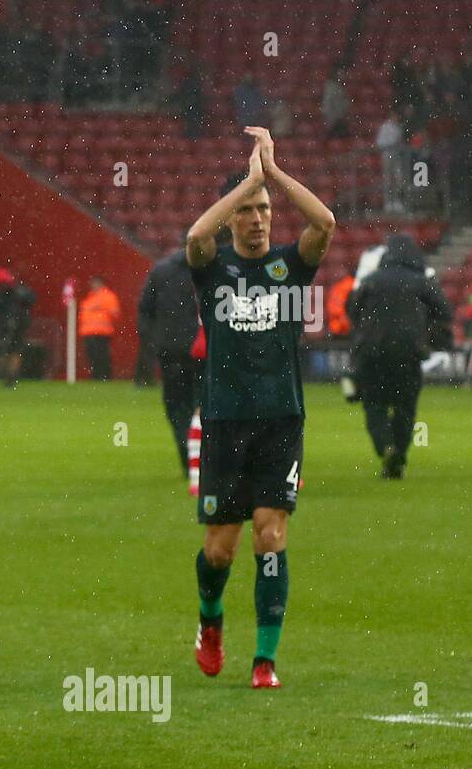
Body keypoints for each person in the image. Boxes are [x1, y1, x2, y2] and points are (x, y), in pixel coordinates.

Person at [185, 126, 335, 690]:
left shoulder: (290, 267)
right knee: (219, 550)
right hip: (224, 422)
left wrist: (273, 176)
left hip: (280, 422)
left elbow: (325, 224)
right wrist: (244, 182)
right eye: (247, 210)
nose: (257, 217)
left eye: (264, 209)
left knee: (270, 536)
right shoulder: (213, 267)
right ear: (232, 219)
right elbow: (195, 235)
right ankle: (210, 619)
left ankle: (265, 660)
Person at [345, 234, 453, 479]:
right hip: (409, 353)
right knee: (405, 408)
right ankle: (399, 457)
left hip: (372, 353)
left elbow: (351, 310)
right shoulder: (422, 282)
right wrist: (424, 327)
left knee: (375, 405)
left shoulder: (371, 280)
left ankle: (386, 447)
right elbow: (445, 312)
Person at [137, 244, 201, 476]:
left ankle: (188, 455)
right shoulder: (208, 269)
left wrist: (154, 342)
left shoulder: (161, 271)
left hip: (171, 352)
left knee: (177, 406)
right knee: (202, 404)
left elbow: (145, 310)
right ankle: (202, 457)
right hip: (202, 352)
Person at [0, 268, 34, 388]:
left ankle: (6, 376)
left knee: (8, 351)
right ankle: (11, 377)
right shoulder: (20, 292)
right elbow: (30, 301)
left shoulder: (0, 295)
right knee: (14, 352)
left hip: (9, 326)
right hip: (18, 325)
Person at [78, 275, 120, 380]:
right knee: (92, 357)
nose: (93, 285)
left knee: (102, 356)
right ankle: (96, 377)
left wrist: (100, 311)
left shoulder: (108, 296)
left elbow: (115, 313)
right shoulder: (90, 297)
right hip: (88, 332)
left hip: (101, 332)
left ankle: (104, 376)